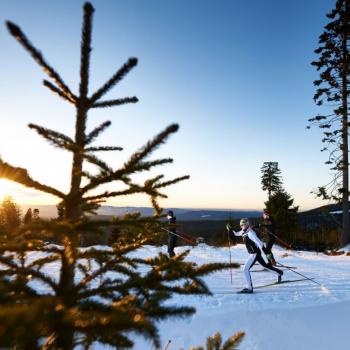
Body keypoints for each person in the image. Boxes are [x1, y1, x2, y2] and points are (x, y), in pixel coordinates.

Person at [226, 218, 283, 293]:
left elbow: (261, 244)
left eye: (245, 224)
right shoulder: (243, 232)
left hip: (254, 254)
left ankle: (250, 288)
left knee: (245, 269)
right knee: (264, 266)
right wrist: (230, 229)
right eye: (242, 225)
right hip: (255, 253)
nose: (243, 226)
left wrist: (268, 256)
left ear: (248, 224)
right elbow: (236, 234)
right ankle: (279, 273)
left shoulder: (251, 233)